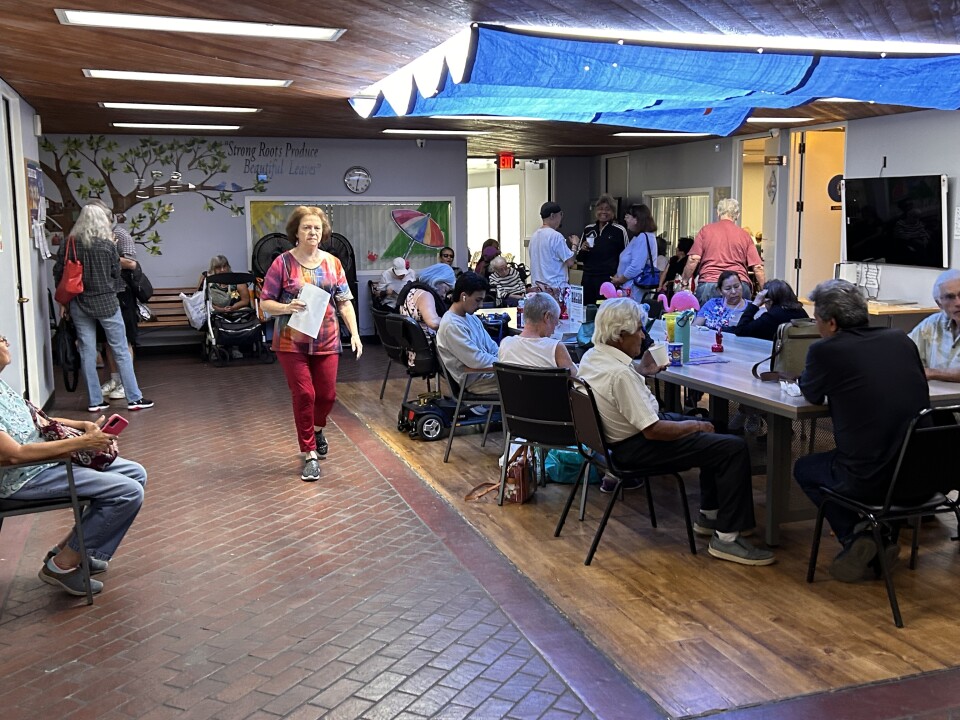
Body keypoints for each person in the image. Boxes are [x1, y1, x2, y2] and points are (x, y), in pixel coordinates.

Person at [577, 298, 774, 566]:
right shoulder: (620, 375)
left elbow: (623, 393)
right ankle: (726, 539)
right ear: (620, 335)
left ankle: (712, 514)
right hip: (638, 447)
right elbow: (654, 430)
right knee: (731, 447)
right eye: (638, 329)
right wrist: (694, 426)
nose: (643, 336)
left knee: (716, 425)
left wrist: (641, 371)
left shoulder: (593, 356)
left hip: (617, 443)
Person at [794, 279, 929, 582]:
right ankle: (879, 532)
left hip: (870, 479)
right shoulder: (901, 340)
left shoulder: (826, 350)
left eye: (816, 319)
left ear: (831, 322)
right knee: (877, 450)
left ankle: (856, 536)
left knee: (805, 468)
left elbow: (812, 394)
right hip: (925, 475)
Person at [0, 333, 147, 597]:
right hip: (23, 477)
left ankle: (73, 549)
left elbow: (40, 420)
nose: (6, 341)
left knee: (136, 473)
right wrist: (81, 444)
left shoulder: (2, 386)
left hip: (45, 464)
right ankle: (62, 566)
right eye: (0, 338)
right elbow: (13, 456)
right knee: (127, 492)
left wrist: (83, 427)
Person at [259, 206, 362, 482]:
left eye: (317, 227)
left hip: (327, 338)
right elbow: (265, 302)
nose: (312, 232)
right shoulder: (282, 263)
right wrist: (286, 306)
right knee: (305, 395)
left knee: (327, 395)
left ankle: (317, 429)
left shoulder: (333, 263)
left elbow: (343, 301)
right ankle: (310, 454)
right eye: (307, 227)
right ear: (296, 232)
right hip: (292, 341)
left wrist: (354, 332)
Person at [54, 204, 153, 413]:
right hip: (107, 303)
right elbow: (116, 273)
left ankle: (95, 401)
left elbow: (59, 272)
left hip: (79, 303)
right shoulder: (107, 245)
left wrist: (64, 302)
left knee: (88, 352)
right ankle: (134, 398)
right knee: (121, 350)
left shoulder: (69, 243)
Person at [88, 202, 139, 403]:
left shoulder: (121, 234)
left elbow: (132, 263)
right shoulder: (94, 236)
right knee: (107, 341)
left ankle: (126, 385)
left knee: (123, 340)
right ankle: (114, 380)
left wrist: (105, 254)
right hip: (102, 294)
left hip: (122, 292)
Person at [681, 198, 764, 305]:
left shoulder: (705, 231)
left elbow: (693, 259)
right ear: (737, 215)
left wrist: (684, 281)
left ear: (718, 213)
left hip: (710, 284)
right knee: (739, 321)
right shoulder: (744, 235)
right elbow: (757, 267)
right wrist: (764, 291)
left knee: (705, 320)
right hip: (738, 286)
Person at [436, 272, 500, 395]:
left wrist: (509, 361)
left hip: (485, 374)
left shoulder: (471, 318)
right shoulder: (451, 325)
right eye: (478, 300)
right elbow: (476, 361)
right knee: (526, 381)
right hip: (476, 381)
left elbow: (492, 347)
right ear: (463, 296)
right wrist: (508, 365)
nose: (480, 305)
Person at [498, 292, 578, 375]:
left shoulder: (505, 344)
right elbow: (576, 379)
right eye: (555, 323)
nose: (554, 330)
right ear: (547, 317)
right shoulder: (556, 348)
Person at [571, 194, 629, 306]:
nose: (603, 212)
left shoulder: (619, 230)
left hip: (608, 278)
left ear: (613, 212)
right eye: (601, 209)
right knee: (587, 311)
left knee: (606, 311)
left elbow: (626, 257)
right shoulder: (589, 229)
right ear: (596, 211)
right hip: (588, 278)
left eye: (607, 209)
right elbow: (579, 258)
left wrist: (620, 276)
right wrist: (582, 249)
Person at [908, 268, 960, 382]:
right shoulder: (933, 324)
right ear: (939, 304)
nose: (958, 303)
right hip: (934, 396)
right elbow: (903, 352)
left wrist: (931, 373)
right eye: (950, 297)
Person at [199, 255, 252, 359]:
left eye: (225, 266)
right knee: (213, 317)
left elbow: (245, 300)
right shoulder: (207, 280)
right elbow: (202, 299)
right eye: (219, 267)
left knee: (241, 315)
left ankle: (235, 348)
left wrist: (233, 308)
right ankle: (216, 347)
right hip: (215, 311)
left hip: (235, 311)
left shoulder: (237, 280)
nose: (223, 270)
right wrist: (219, 309)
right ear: (213, 269)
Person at [727, 279, 809, 340]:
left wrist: (755, 304)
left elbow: (741, 330)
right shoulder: (801, 312)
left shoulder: (772, 316)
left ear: (769, 301)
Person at [529, 201, 576, 298]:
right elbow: (570, 261)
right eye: (561, 214)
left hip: (538, 289)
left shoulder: (534, 236)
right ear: (552, 215)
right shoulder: (556, 236)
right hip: (554, 290)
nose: (561, 218)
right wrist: (575, 245)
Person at [611, 203, 658, 298]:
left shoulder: (643, 238)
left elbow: (636, 267)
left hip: (634, 289)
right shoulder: (642, 237)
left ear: (636, 219)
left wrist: (620, 280)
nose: (625, 219)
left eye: (627, 217)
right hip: (631, 288)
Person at [398, 262, 455, 332]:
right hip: (429, 341)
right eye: (445, 290)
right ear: (438, 281)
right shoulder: (425, 295)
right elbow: (434, 323)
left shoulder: (413, 290)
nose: (444, 295)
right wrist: (455, 321)